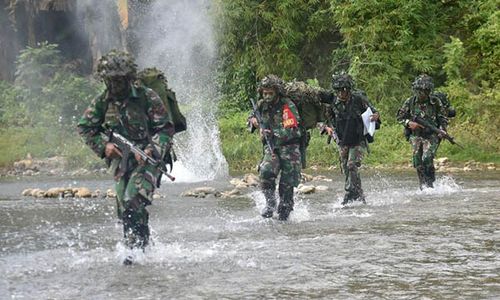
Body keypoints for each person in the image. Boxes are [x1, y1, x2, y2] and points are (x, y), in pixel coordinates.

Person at [77, 50, 174, 263]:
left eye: (119, 80)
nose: (115, 85)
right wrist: (105, 146)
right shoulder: (103, 100)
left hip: (148, 159)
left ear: (128, 78)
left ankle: (133, 251)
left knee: (133, 199)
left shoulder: (147, 96)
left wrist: (152, 150)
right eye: (111, 80)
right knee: (124, 208)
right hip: (121, 161)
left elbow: (166, 128)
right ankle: (142, 247)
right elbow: (85, 127)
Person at [248, 74, 302, 221]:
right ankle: (270, 203)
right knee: (265, 171)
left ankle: (285, 213)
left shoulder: (287, 105)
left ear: (277, 92)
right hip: (271, 148)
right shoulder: (260, 105)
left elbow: (293, 130)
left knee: (286, 185)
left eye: (270, 93)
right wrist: (253, 122)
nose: (267, 96)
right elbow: (251, 118)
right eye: (264, 93)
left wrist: (273, 133)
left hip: (290, 149)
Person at [322, 73, 380, 205]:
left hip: (358, 139)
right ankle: (359, 194)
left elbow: (374, 111)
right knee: (346, 168)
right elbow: (325, 119)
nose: (341, 94)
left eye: (344, 90)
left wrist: (375, 116)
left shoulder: (358, 99)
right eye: (338, 91)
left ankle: (349, 194)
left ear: (348, 89)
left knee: (352, 165)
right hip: (342, 139)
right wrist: (327, 128)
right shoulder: (333, 101)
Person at [397, 74, 448, 189]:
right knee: (418, 162)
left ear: (429, 91)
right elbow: (399, 118)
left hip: (432, 135)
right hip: (416, 135)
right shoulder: (410, 102)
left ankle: (430, 183)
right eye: (420, 91)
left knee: (427, 157)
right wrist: (409, 123)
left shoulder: (435, 102)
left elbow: (443, 117)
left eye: (425, 91)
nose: (422, 94)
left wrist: (442, 130)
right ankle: (422, 186)